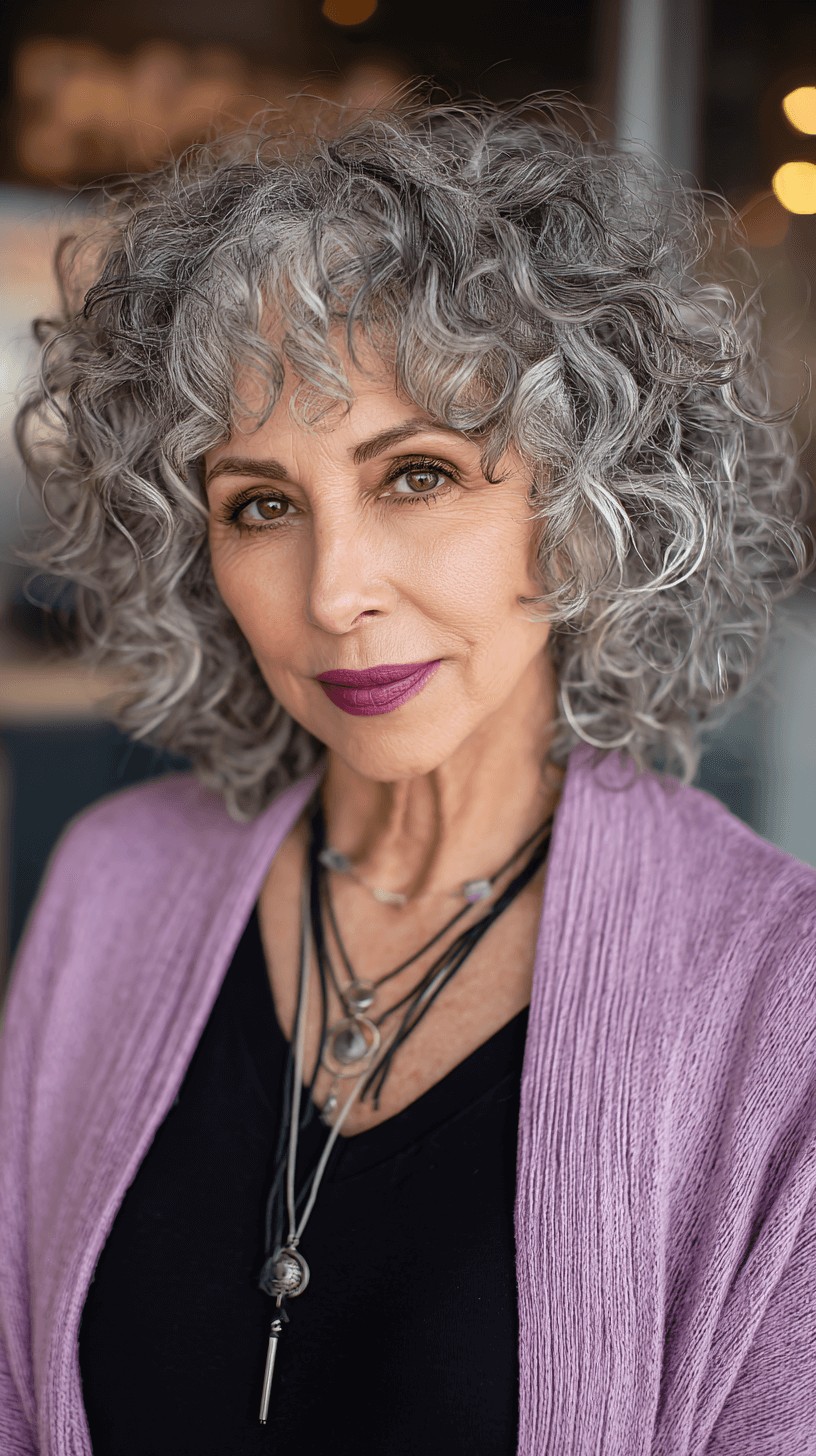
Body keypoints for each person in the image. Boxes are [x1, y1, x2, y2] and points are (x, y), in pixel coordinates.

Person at [1, 90, 815, 1456]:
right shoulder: (113, 883)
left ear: (583, 501)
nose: (335, 594)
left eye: (417, 475)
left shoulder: (778, 998)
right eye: (262, 504)